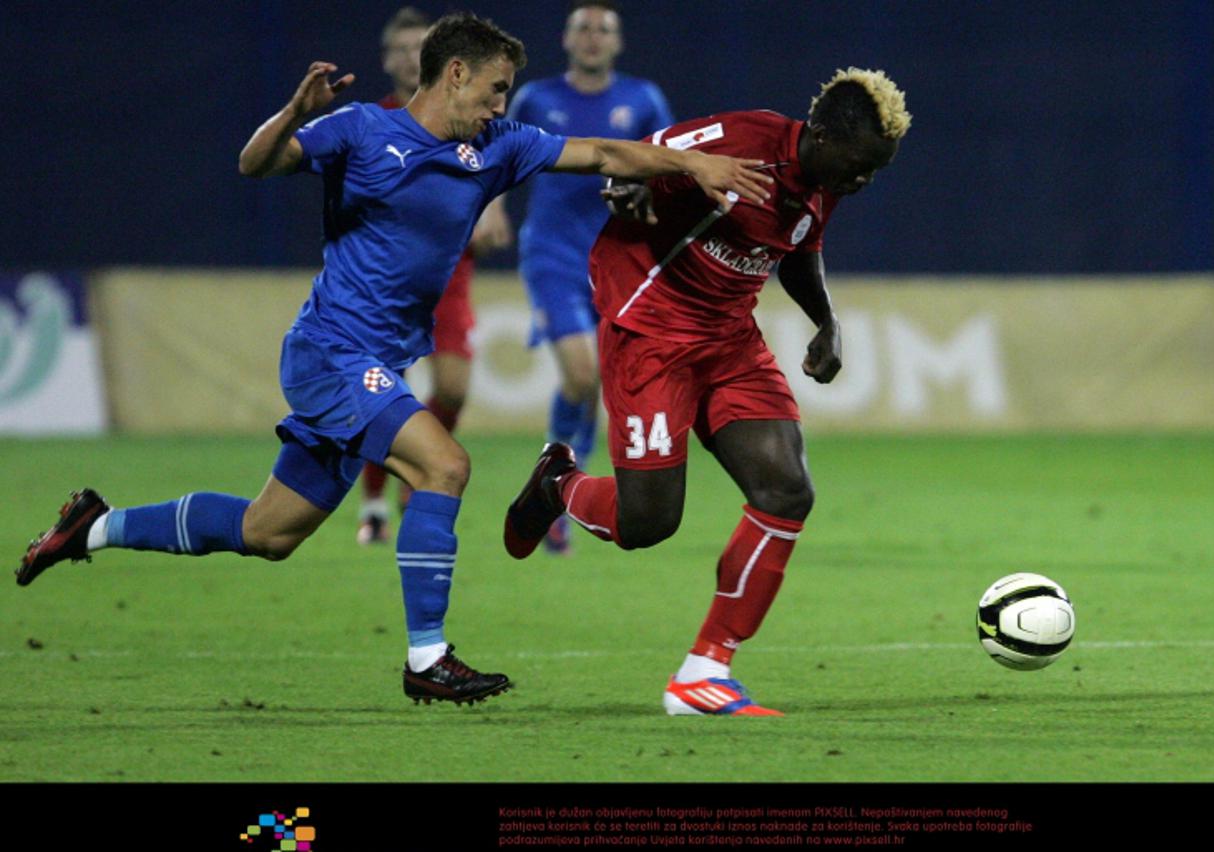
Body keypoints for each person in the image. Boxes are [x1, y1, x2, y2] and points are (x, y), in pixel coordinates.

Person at [15, 13, 772, 708]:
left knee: (267, 532)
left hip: (372, 360)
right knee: (444, 466)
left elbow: (603, 152)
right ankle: (427, 658)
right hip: (331, 352)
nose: (503, 104)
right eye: (496, 88)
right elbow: (257, 164)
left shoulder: (499, 146)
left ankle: (94, 527)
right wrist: (294, 113)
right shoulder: (360, 131)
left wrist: (691, 165)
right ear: (455, 74)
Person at [505, 68, 911, 715]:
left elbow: (799, 245)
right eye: (859, 165)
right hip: (651, 330)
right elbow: (638, 160)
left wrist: (826, 320)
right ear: (822, 134)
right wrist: (629, 191)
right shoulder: (744, 139)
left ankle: (704, 670)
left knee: (787, 491)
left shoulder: (826, 180)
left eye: (875, 171)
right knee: (648, 523)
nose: (862, 181)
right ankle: (559, 484)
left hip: (729, 340)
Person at [486, 0, 673, 554]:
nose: (593, 37)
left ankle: (561, 490)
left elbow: (665, 168)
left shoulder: (643, 99)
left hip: (619, 259)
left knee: (602, 383)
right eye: (583, 28)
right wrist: (492, 207)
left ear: (617, 42)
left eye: (603, 29)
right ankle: (555, 483)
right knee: (581, 375)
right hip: (552, 255)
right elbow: (495, 155)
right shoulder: (536, 98)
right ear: (567, 39)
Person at [356, 6, 512, 545]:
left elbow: (492, 204)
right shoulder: (372, 121)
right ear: (386, 59)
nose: (409, 57)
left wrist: (486, 215)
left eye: (418, 47)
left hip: (449, 278)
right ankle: (373, 504)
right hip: (387, 283)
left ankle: (416, 469)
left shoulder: (470, 122)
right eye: (399, 48)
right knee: (383, 392)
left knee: (453, 388)